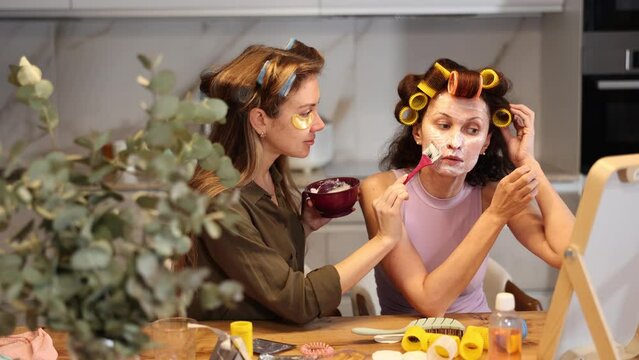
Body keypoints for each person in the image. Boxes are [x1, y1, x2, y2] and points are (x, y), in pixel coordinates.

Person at [181, 39, 408, 324]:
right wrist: (384, 240)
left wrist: (302, 228)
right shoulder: (221, 206)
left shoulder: (268, 176)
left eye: (315, 110)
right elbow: (298, 302)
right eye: (304, 113)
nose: (318, 124)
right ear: (260, 121)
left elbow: (269, 267)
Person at [359, 58, 575, 316]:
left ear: (485, 143)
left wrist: (528, 163)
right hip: (402, 340)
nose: (455, 142)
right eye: (443, 125)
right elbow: (430, 303)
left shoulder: (491, 195)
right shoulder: (380, 190)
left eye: (472, 130)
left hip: (477, 334)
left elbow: (568, 256)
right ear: (418, 131)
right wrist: (496, 216)